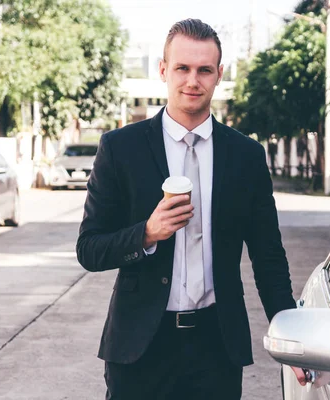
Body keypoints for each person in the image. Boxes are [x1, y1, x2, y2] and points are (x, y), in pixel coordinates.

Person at [76, 18, 306, 400]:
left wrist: (293, 340)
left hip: (217, 346)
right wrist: (147, 233)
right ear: (163, 70)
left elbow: (268, 257)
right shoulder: (120, 149)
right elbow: (89, 248)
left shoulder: (246, 156)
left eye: (204, 70)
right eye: (182, 68)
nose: (192, 81)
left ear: (218, 74)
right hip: (139, 348)